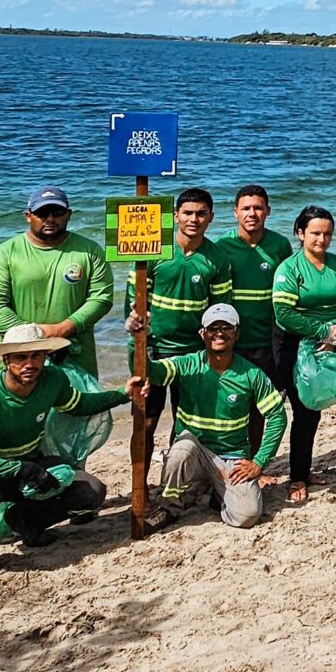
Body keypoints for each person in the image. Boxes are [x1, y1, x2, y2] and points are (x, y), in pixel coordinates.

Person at [0, 324, 130, 582]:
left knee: (91, 492)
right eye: (20, 357)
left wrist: (124, 394)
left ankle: (26, 522)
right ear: (6, 360)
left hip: (30, 463)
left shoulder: (52, 380)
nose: (29, 364)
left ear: (45, 356)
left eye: (36, 356)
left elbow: (79, 405)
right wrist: (21, 469)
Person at [138, 303, 287, 530]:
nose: (219, 333)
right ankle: (169, 508)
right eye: (213, 328)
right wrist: (137, 339)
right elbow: (150, 370)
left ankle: (218, 494)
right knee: (181, 449)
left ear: (237, 333)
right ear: (202, 334)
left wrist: (259, 462)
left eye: (226, 327)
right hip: (195, 454)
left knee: (247, 516)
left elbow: (277, 415)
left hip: (232, 457)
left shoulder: (251, 374)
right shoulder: (187, 364)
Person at [125, 186, 231, 474]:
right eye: (187, 213)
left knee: (185, 423)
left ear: (211, 217)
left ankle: (171, 482)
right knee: (146, 420)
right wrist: (135, 329)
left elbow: (219, 312)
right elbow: (134, 304)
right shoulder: (155, 250)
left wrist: (214, 354)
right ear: (175, 216)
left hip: (193, 354)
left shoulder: (217, 258)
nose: (193, 219)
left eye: (201, 214)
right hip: (154, 350)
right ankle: (140, 486)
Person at [0, 186, 114, 376]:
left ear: (69, 214)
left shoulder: (90, 251)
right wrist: (35, 338)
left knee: (79, 396)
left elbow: (101, 299)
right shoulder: (3, 254)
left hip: (74, 356)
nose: (50, 218)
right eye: (41, 213)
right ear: (28, 216)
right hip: (17, 360)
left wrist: (63, 329)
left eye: (57, 212)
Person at [273, 207, 336, 502]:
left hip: (329, 344)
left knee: (312, 411)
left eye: (327, 234)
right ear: (300, 234)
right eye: (315, 233)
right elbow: (283, 313)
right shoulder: (289, 268)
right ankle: (291, 476)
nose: (322, 239)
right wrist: (323, 331)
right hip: (292, 344)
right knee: (294, 408)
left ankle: (302, 470)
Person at [213, 186, 291, 450]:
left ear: (268, 211)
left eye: (258, 208)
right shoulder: (222, 246)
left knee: (260, 406)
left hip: (267, 340)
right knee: (230, 403)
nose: (252, 213)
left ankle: (255, 459)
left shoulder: (279, 245)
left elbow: (289, 289)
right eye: (246, 208)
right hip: (233, 340)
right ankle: (228, 456)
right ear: (235, 212)